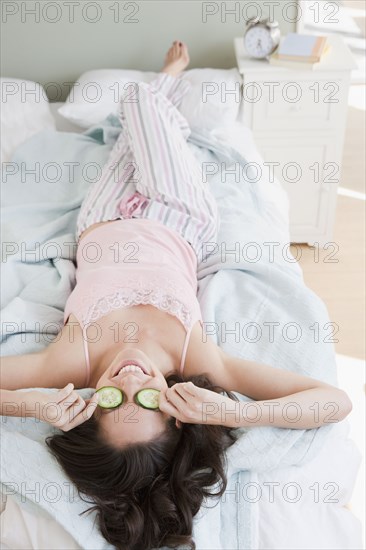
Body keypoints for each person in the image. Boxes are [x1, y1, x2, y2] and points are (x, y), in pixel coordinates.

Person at [0, 41, 352, 550]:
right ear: (173, 407)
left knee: (129, 132)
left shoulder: (66, 364)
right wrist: (238, 414)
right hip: (178, 214)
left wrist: (27, 406)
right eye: (146, 399)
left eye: (109, 399)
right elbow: (334, 403)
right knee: (138, 106)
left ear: (87, 407)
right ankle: (170, 79)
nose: (128, 379)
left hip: (101, 216)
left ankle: (164, 105)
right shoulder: (196, 358)